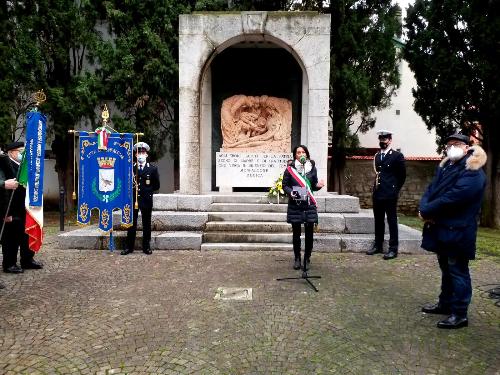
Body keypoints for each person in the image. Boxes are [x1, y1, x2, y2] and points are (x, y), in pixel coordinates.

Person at [419, 133, 486, 329]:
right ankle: (445, 303)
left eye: (456, 144)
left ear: (467, 147)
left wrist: (428, 209)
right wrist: (424, 207)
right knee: (446, 269)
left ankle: (460, 313)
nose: (451, 148)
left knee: (458, 271)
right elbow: (431, 189)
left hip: (459, 230)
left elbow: (454, 197)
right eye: (448, 145)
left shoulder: (473, 170)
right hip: (442, 227)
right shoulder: (447, 166)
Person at [0, 142, 43, 273]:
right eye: (20, 151)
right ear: (12, 152)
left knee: (26, 234)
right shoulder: (5, 164)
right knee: (10, 237)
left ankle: (27, 259)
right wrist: (4, 212)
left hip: (25, 206)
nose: (22, 154)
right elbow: (4, 189)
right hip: (11, 206)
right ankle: (9, 263)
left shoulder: (25, 166)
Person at [282, 145, 324, 271]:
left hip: (309, 204)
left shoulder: (312, 168)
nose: (301, 154)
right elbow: (285, 185)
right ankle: (297, 258)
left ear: (306, 154)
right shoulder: (290, 169)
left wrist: (319, 185)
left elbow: (314, 185)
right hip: (295, 204)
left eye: (303, 152)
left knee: (309, 234)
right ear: (295, 155)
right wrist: (291, 192)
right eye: (298, 152)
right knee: (296, 234)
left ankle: (307, 258)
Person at [366, 130, 406, 260]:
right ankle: (378, 245)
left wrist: (395, 189)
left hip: (390, 193)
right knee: (378, 220)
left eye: (385, 139)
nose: (382, 141)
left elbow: (402, 176)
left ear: (390, 140)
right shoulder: (377, 156)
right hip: (378, 192)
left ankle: (393, 248)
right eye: (381, 139)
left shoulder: (397, 156)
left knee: (392, 221)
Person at [121, 142, 160, 255]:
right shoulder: (131, 169)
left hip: (146, 200)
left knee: (146, 224)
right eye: (139, 153)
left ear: (147, 154)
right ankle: (129, 247)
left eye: (143, 152)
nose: (141, 154)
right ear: (135, 155)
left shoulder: (152, 169)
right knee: (131, 224)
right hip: (133, 200)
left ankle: (146, 247)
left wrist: (146, 191)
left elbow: (156, 186)